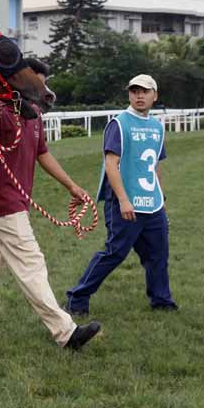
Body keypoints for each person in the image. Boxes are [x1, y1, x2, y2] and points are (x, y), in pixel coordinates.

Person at [0, 60, 101, 351]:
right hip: (3, 203)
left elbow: (43, 154)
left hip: (16, 202)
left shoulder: (34, 116)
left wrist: (72, 186)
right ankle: (65, 332)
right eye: (35, 84)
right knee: (31, 263)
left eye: (42, 85)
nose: (40, 90)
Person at [65, 74, 177, 316]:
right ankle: (77, 298)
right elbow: (111, 165)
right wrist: (124, 200)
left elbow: (155, 166)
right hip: (124, 204)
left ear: (155, 96)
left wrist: (161, 199)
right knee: (114, 253)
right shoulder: (119, 123)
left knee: (158, 255)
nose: (139, 95)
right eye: (134, 91)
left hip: (153, 205)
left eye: (145, 91)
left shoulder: (157, 127)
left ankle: (162, 301)